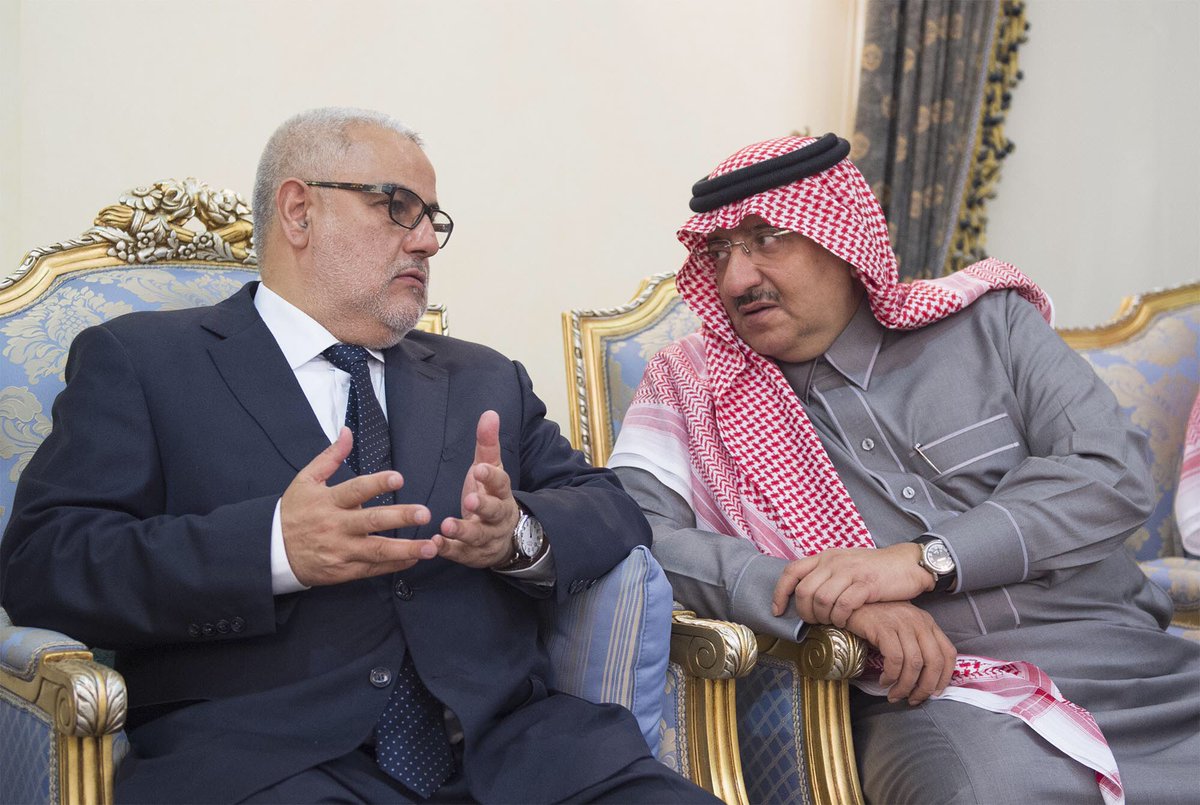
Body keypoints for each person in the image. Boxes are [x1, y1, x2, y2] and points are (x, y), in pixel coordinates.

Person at [0, 107, 716, 804]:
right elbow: (43, 564)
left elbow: (612, 507)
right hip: (266, 762)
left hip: (520, 756)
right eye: (397, 207)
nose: (426, 242)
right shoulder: (146, 361)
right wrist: (271, 547)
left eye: (433, 219)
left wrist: (516, 536)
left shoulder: (482, 377)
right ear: (299, 212)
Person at [610, 134, 1200, 804]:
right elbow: (638, 531)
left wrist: (925, 560)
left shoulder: (990, 324)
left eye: (766, 239)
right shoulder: (696, 386)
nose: (736, 279)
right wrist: (818, 594)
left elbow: (1109, 469)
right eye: (720, 252)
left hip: (1128, 660)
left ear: (839, 236)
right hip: (935, 692)